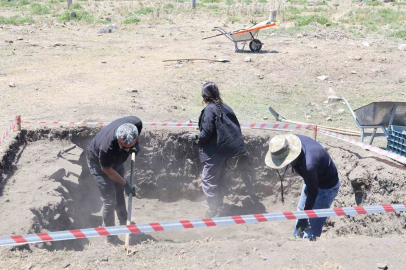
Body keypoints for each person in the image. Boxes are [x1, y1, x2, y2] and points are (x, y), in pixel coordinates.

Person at [187, 82, 247, 218]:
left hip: (214, 152)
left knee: (208, 181)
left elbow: (206, 132)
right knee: (218, 180)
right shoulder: (225, 107)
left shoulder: (209, 109)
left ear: (204, 97)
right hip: (223, 151)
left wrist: (195, 136)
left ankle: (213, 209)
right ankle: (218, 206)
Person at [264, 133, 340, 241]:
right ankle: (296, 241)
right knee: (300, 212)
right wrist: (303, 214)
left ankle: (307, 246)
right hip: (312, 180)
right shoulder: (290, 142)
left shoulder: (309, 165)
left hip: (325, 188)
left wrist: (306, 215)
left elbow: (313, 192)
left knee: (311, 223)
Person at [87, 116, 142, 245]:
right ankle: (111, 238)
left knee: (119, 192)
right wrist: (125, 183)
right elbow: (107, 170)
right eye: (125, 148)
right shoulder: (107, 147)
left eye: (131, 146)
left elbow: (130, 145)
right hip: (99, 165)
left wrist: (136, 147)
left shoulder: (136, 124)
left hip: (116, 161)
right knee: (110, 200)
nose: (128, 150)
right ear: (118, 139)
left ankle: (125, 223)